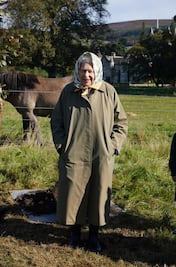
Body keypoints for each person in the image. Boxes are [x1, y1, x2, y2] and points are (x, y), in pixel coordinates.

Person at [50, 51, 128, 253]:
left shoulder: (108, 92)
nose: (86, 75)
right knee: (72, 194)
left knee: (98, 193)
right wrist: (62, 146)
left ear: (97, 71)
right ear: (77, 71)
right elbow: (56, 122)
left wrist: (112, 146)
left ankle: (94, 237)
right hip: (73, 154)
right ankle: (74, 235)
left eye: (90, 71)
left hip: (101, 154)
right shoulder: (68, 92)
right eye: (83, 71)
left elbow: (121, 123)